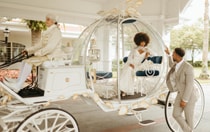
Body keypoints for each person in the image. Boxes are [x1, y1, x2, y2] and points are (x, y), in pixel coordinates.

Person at [3, 13, 62, 92]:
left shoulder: (56, 32)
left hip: (51, 56)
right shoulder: (48, 31)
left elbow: (50, 48)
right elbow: (40, 45)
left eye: (48, 19)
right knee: (24, 61)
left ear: (52, 21)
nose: (46, 21)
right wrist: (28, 50)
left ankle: (18, 85)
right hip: (45, 55)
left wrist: (37, 53)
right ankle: (17, 82)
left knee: (28, 62)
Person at [165, 47, 198, 132]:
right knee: (175, 114)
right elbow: (170, 64)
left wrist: (185, 100)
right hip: (180, 93)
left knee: (189, 119)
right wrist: (168, 54)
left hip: (189, 96)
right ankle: (188, 131)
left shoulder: (188, 67)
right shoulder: (176, 65)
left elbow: (189, 85)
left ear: (177, 55)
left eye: (173, 54)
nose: (172, 55)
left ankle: (189, 130)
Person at [119, 32, 150, 96]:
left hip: (139, 66)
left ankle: (123, 89)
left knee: (129, 70)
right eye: (141, 41)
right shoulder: (134, 49)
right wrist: (131, 63)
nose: (143, 43)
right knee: (128, 69)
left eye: (144, 42)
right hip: (131, 64)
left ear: (146, 42)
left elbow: (148, 60)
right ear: (138, 41)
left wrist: (147, 56)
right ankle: (123, 89)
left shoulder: (147, 50)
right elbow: (130, 57)